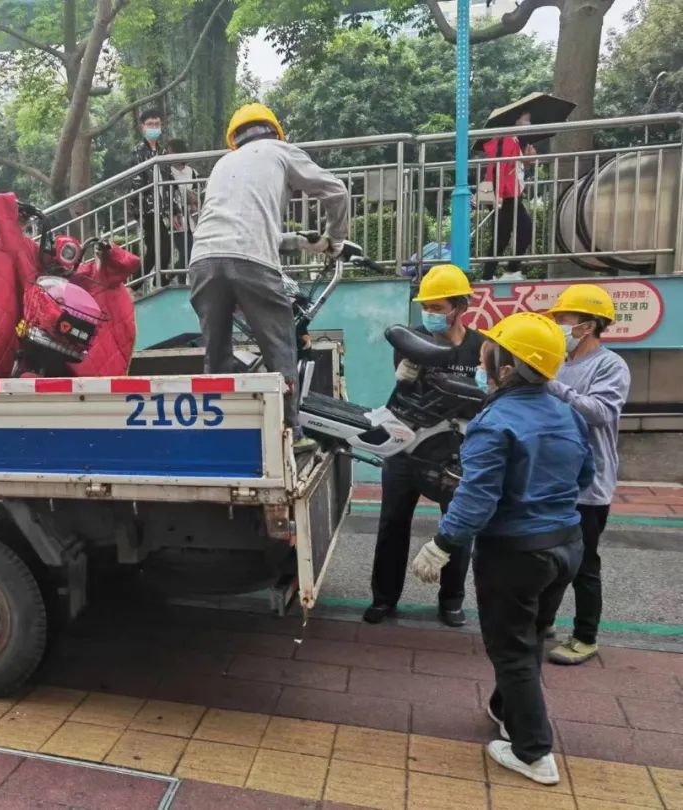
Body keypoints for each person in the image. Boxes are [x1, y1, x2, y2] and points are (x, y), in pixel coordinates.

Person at [411, 311, 593, 786]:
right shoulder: (566, 412)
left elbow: (477, 498)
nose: (483, 355)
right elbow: (585, 479)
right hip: (566, 545)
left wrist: (443, 543)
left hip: (516, 554)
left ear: (509, 366)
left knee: (511, 648)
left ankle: (533, 752)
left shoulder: (495, 423)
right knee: (532, 634)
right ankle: (507, 707)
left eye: (493, 350)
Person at [189, 103, 348, 454]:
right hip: (252, 262)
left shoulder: (222, 164)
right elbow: (337, 192)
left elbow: (243, 228)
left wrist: (306, 243)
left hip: (202, 261)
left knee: (216, 355)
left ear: (235, 138)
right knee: (280, 347)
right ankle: (290, 433)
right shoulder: (280, 151)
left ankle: (221, 437)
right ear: (274, 132)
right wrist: (335, 240)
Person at [363, 264, 484, 628]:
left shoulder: (482, 347)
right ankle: (384, 598)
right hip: (407, 449)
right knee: (393, 525)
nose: (431, 315)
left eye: (438, 307)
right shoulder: (413, 341)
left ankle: (451, 600)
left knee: (457, 527)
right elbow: (403, 390)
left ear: (460, 306)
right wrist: (406, 371)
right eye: (426, 307)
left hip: (455, 455)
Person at [543, 284, 631, 665]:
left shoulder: (610, 365)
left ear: (590, 324)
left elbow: (599, 412)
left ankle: (585, 636)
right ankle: (543, 621)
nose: (559, 324)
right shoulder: (559, 361)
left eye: (565, 318)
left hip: (589, 483)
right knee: (547, 556)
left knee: (583, 562)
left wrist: (551, 386)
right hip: (553, 478)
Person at [482, 111, 536, 280]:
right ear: (515, 120)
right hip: (503, 194)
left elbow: (513, 169)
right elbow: (498, 167)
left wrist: (527, 160)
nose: (529, 123)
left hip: (508, 193)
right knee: (516, 231)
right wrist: (497, 194)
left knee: (503, 236)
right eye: (526, 119)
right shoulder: (507, 139)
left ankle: (492, 274)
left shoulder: (515, 141)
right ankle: (508, 271)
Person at [130, 109, 180, 283]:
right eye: (150, 124)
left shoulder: (163, 153)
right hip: (147, 210)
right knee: (162, 248)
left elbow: (170, 181)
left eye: (157, 124)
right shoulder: (138, 152)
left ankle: (148, 284)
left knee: (155, 250)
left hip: (162, 209)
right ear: (142, 127)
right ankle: (151, 283)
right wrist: (140, 211)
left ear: (161, 127)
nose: (153, 127)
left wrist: (175, 210)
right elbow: (136, 183)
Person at [166, 139, 199, 273]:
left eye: (170, 151)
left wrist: (194, 200)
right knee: (186, 252)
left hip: (192, 217)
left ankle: (179, 278)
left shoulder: (192, 172)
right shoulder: (167, 172)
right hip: (176, 218)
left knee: (191, 252)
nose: (168, 154)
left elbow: (198, 192)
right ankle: (173, 274)